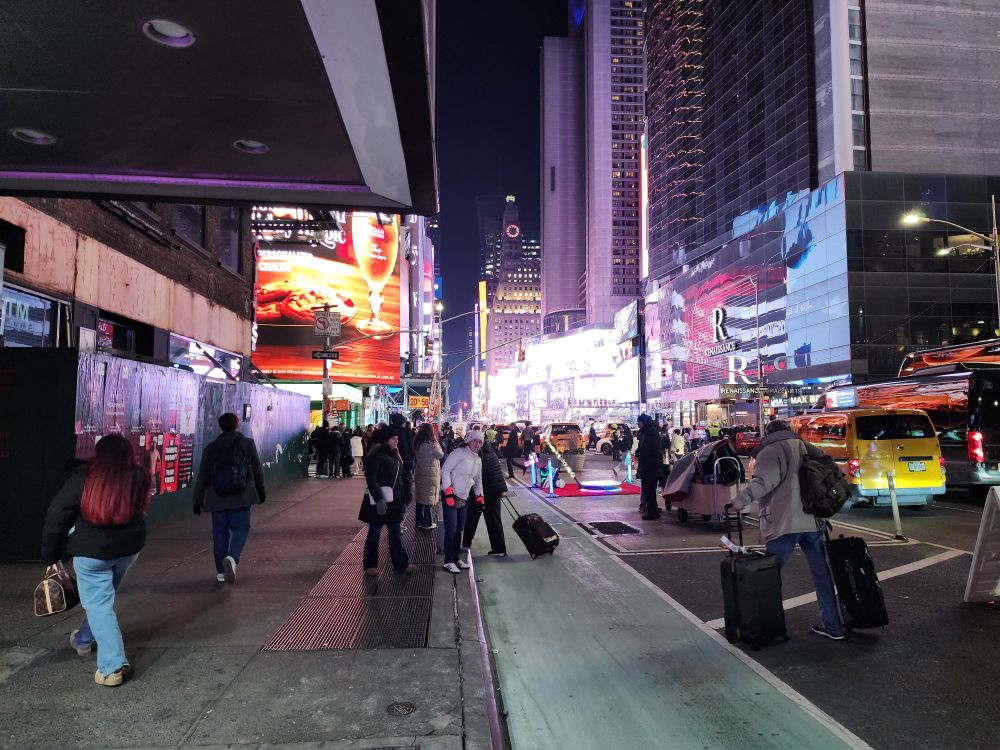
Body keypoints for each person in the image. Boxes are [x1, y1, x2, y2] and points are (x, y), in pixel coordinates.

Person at [41, 435, 151, 687]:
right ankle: (82, 639)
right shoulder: (140, 476)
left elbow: (57, 515)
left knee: (99, 605)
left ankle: (112, 667)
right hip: (127, 549)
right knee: (101, 600)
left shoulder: (84, 476)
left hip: (91, 552)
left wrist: (51, 555)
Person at [731, 420, 846, 641]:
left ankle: (764, 628)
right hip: (813, 520)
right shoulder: (806, 447)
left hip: (784, 524)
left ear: (769, 433)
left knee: (768, 577)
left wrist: (739, 501)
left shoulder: (771, 451)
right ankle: (833, 626)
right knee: (823, 577)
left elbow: (764, 482)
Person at [192, 413, 266, 584]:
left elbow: (203, 476)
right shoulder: (247, 444)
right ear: (237, 424)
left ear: (221, 426)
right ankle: (232, 558)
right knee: (241, 529)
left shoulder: (211, 448)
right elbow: (256, 469)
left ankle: (220, 573)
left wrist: (197, 501)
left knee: (219, 534)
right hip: (241, 496)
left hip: (216, 497)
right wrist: (260, 493)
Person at [360, 426, 417, 576]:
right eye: (393, 439)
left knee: (395, 534)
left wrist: (405, 496)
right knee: (374, 533)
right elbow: (371, 479)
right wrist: (379, 499)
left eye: (397, 438)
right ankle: (370, 565)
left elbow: (400, 478)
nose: (396, 441)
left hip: (394, 502)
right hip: (379, 502)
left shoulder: (395, 455)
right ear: (385, 440)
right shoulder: (376, 456)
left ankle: (401, 564)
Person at [440, 429, 484, 573]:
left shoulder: (478, 460)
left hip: (464, 497)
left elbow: (478, 480)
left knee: (459, 529)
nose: (477, 444)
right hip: (451, 495)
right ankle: (448, 560)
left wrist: (479, 495)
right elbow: (445, 469)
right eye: (475, 441)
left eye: (479, 442)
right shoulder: (459, 453)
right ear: (469, 441)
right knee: (451, 529)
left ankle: (456, 557)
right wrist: (447, 490)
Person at [464, 438, 508, 556]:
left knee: (472, 518)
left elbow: (477, 476)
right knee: (494, 520)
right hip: (495, 490)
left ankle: (465, 544)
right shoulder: (491, 453)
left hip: (487, 492)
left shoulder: (481, 456)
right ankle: (499, 549)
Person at [635, 414, 665, 520]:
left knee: (649, 490)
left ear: (644, 422)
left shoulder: (651, 431)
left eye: (639, 421)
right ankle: (652, 510)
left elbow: (649, 446)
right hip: (648, 465)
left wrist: (639, 451)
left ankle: (653, 513)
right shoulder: (646, 431)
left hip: (651, 466)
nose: (638, 424)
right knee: (648, 490)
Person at [414, 423, 443, 530]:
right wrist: (436, 441)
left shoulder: (417, 442)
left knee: (420, 498)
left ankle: (418, 522)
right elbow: (440, 454)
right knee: (428, 499)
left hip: (420, 471)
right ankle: (427, 523)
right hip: (430, 473)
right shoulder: (432, 444)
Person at [389, 413, 415, 506]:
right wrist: (409, 464)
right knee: (404, 485)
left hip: (388, 464)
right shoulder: (403, 432)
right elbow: (405, 449)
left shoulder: (388, 430)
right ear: (402, 422)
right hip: (401, 463)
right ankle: (401, 505)